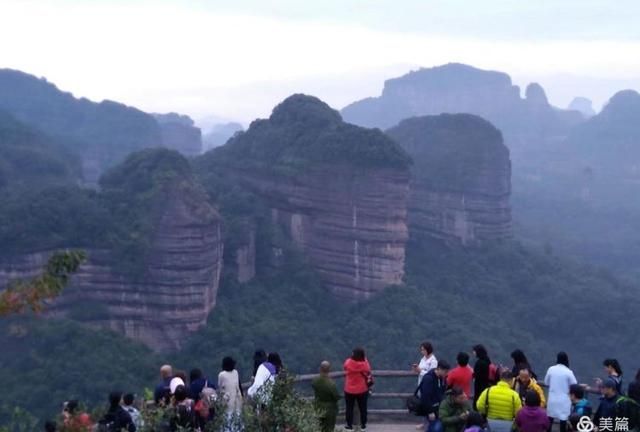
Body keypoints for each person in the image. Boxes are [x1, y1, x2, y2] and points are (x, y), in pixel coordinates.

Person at [544, 352, 577, 432]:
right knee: (563, 422)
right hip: (564, 401)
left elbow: (546, 382)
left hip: (552, 399)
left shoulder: (551, 369)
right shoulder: (568, 372)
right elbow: (574, 385)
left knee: (550, 420)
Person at [343, 347, 372, 431]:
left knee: (349, 407)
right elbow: (368, 369)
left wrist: (352, 358)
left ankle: (349, 425)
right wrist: (364, 358)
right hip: (362, 389)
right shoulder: (364, 364)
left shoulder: (349, 363)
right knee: (363, 407)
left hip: (349, 389)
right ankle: (363, 425)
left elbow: (345, 366)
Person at [420, 360, 450, 432]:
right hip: (431, 409)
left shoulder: (442, 378)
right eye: (445, 372)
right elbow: (425, 397)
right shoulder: (429, 378)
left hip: (439, 409)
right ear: (439, 369)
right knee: (435, 428)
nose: (446, 374)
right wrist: (430, 411)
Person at [312, 360, 341, 432]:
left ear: (320, 368)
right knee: (329, 429)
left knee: (319, 428)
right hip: (330, 410)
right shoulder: (331, 384)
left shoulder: (315, 381)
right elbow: (336, 396)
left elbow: (313, 386)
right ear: (329, 370)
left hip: (318, 407)